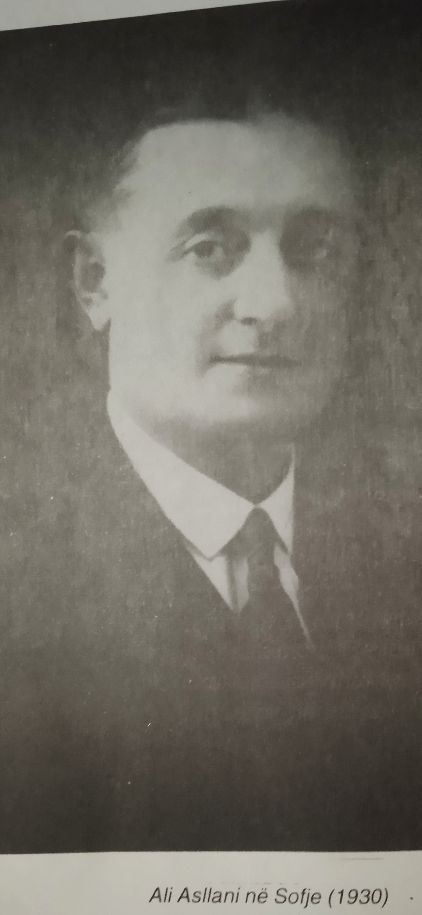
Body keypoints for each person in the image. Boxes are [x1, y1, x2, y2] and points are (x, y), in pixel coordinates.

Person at [2, 102, 421, 854]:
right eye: (209, 248)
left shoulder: (401, 564)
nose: (275, 304)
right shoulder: (20, 585)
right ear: (95, 281)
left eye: (313, 250)